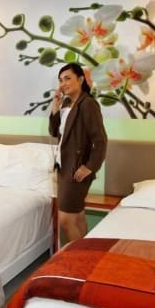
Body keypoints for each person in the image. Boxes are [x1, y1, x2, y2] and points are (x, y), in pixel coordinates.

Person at [49, 63, 107, 245]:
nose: (63, 83)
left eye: (68, 78)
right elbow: (54, 131)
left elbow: (100, 141)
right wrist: (56, 105)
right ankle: (85, 252)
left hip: (76, 170)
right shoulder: (67, 103)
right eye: (60, 80)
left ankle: (78, 258)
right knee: (77, 216)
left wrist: (89, 167)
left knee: (66, 220)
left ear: (81, 79)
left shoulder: (88, 104)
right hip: (63, 167)